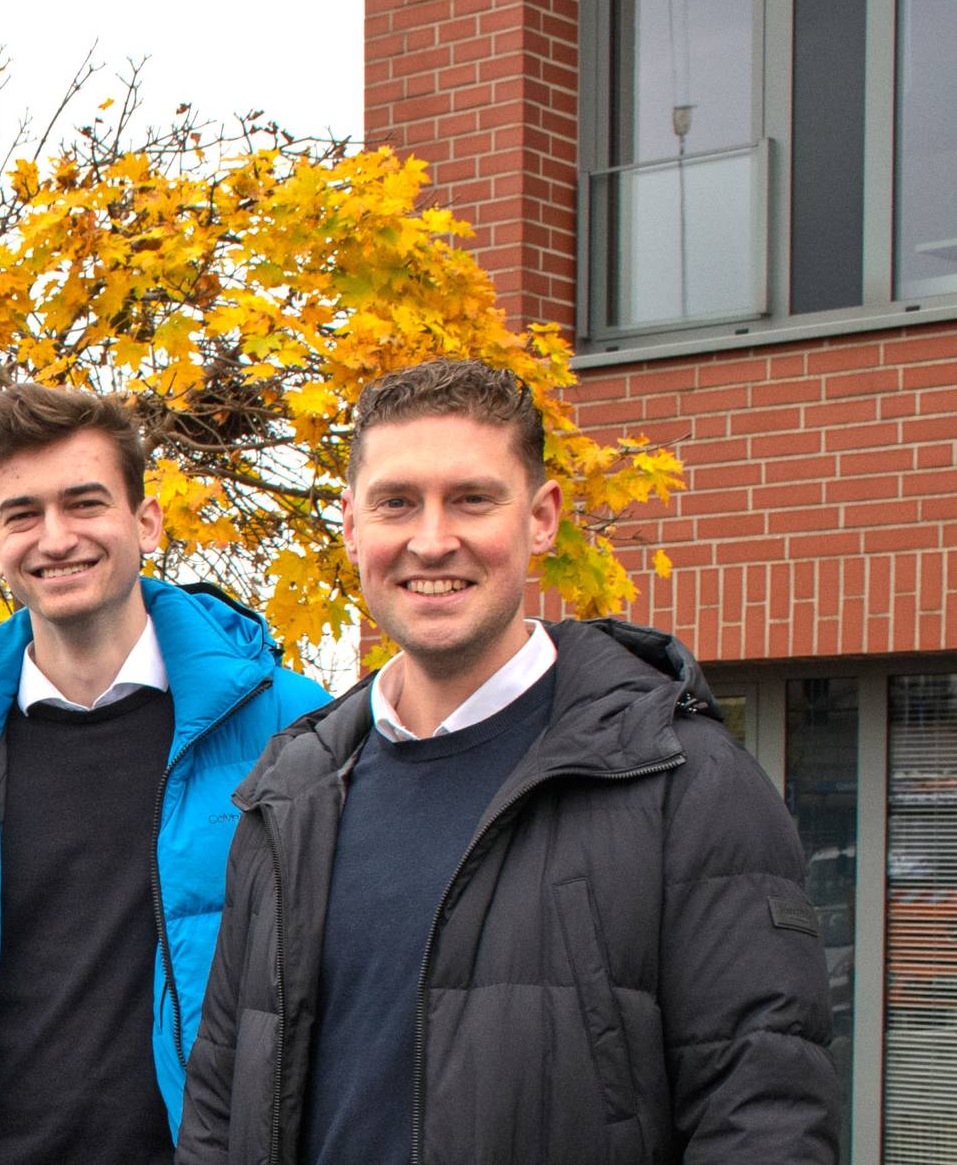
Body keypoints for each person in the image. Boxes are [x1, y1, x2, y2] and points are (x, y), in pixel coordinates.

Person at [177, 359, 842, 1164]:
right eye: (397, 503)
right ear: (352, 526)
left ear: (542, 518)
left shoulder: (683, 782)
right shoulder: (288, 797)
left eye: (471, 499)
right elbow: (218, 1105)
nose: (431, 540)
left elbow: (762, 1120)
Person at [0, 385, 331, 1165]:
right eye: (23, 514)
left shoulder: (288, 730)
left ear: (146, 521)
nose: (55, 538)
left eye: (84, 502)